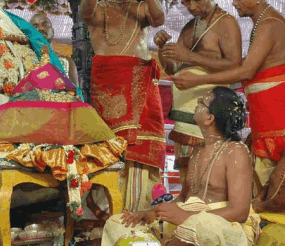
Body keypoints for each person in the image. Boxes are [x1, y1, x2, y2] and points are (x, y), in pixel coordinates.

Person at [173, 0, 285, 189]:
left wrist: (197, 81)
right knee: (265, 185)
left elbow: (245, 71)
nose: (234, 3)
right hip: (266, 117)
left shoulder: (268, 24)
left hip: (276, 118)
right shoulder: (263, 22)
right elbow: (244, 67)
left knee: (276, 186)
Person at [102, 87, 260, 246]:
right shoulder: (198, 150)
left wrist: (187, 217)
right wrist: (151, 214)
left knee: (198, 228)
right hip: (189, 220)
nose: (196, 105)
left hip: (221, 227)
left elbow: (240, 211)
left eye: (201, 103)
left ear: (209, 118)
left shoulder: (236, 152)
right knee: (117, 223)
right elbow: (184, 198)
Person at [79, 0, 166, 212]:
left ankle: (139, 213)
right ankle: (105, 214)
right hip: (108, 91)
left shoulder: (137, 8)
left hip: (142, 94)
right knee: (107, 153)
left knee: (140, 156)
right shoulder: (98, 8)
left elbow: (159, 18)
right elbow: (84, 13)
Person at [154, 0, 242, 183]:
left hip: (209, 116)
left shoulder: (226, 23)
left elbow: (235, 65)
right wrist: (162, 51)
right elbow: (174, 70)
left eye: (198, 0)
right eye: (186, 1)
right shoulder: (189, 27)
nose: (191, 6)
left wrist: (190, 56)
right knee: (187, 179)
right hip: (183, 119)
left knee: (208, 178)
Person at [252, 112, 285, 245]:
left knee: (274, 236)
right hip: (267, 215)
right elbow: (271, 182)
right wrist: (258, 198)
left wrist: (261, 206)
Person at [30, 13, 79, 86]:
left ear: (52, 31)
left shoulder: (67, 62)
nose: (40, 28)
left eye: (45, 25)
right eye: (35, 26)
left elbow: (77, 94)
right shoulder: (26, 59)